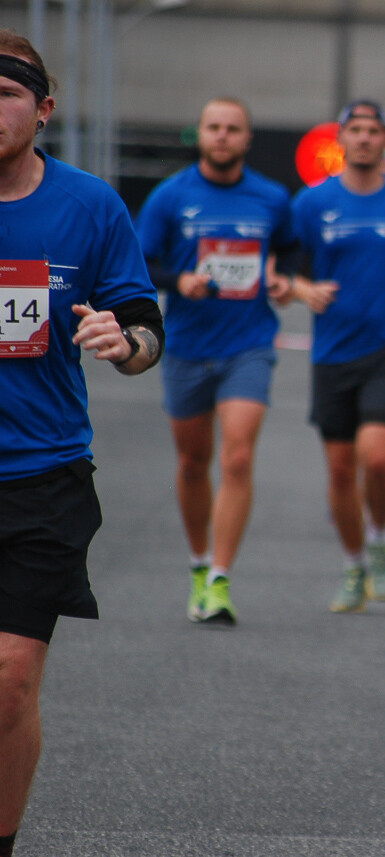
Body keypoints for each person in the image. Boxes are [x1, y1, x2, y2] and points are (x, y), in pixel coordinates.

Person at [0, 31, 164, 857]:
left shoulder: (91, 204)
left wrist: (121, 341)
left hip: (42, 471)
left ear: (43, 109)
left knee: (10, 680)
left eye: (6, 95)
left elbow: (144, 328)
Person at [136, 97, 295, 626]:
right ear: (199, 135)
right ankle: (199, 562)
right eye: (214, 127)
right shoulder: (171, 196)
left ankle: (221, 578)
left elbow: (291, 250)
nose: (223, 136)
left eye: (233, 129)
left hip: (248, 345)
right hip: (186, 345)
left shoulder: (271, 198)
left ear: (247, 139)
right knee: (192, 462)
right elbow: (141, 262)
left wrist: (279, 276)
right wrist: (177, 280)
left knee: (238, 458)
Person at [290, 100, 385, 613]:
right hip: (333, 351)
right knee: (338, 470)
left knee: (376, 459)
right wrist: (300, 288)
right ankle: (354, 564)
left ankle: (379, 537)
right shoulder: (312, 204)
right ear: (342, 140)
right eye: (354, 130)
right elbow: (280, 266)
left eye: (373, 130)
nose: (363, 138)